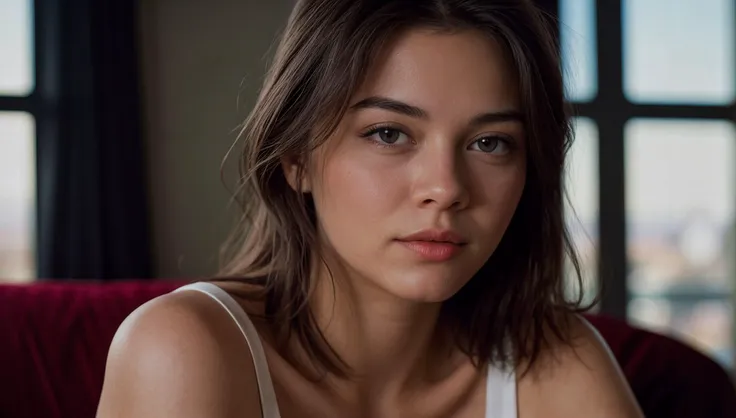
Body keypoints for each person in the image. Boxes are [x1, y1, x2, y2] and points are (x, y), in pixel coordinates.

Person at [97, 0, 644, 416]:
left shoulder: (555, 364)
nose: (446, 187)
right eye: (389, 133)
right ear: (296, 158)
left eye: (491, 142)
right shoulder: (182, 350)